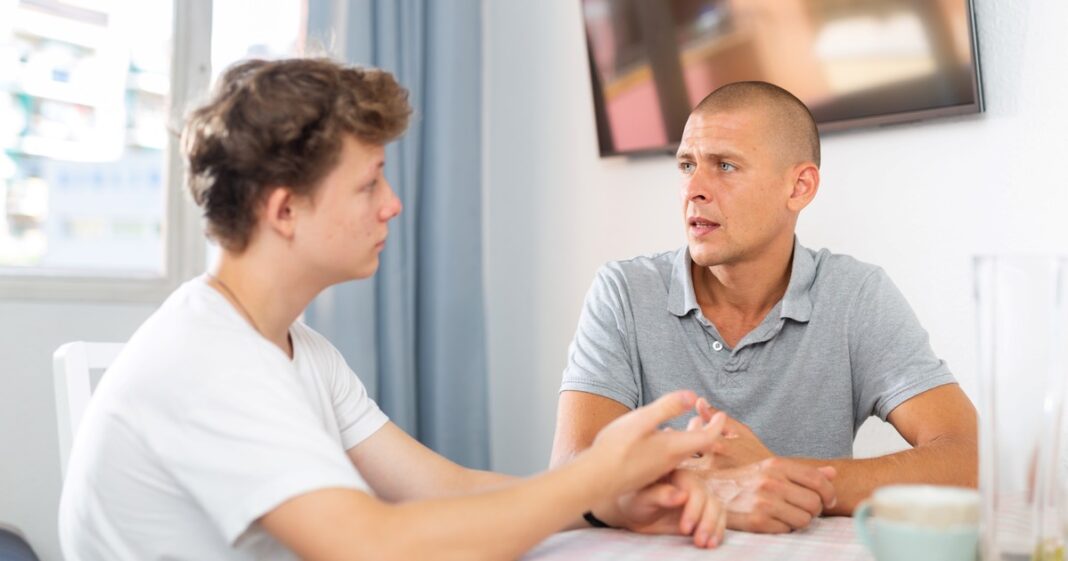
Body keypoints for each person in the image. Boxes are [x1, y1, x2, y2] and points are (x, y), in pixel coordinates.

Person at [57, 58, 731, 561]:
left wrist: (605, 503)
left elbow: (445, 488)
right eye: (368, 183)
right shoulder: (208, 361)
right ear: (284, 210)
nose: (392, 204)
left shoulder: (297, 350)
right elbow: (374, 544)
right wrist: (591, 474)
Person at [550, 81, 978, 534]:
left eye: (725, 166)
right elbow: (570, 476)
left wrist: (774, 478)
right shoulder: (623, 292)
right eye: (687, 165)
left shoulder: (855, 296)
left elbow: (969, 457)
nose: (694, 189)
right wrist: (716, 488)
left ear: (799, 187)